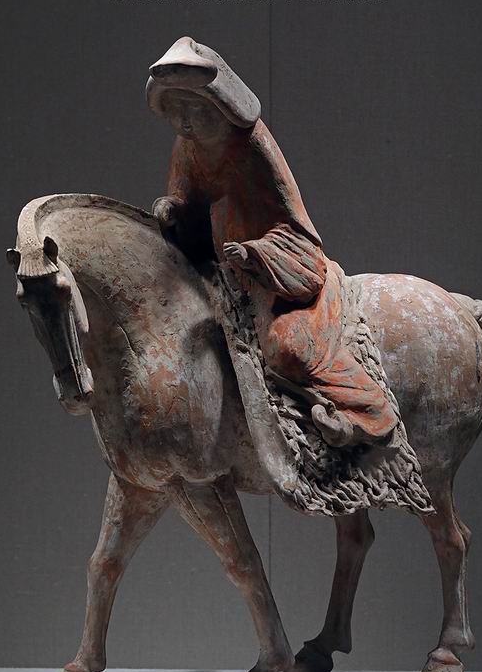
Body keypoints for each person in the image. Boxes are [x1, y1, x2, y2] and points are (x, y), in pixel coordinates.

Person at [147, 37, 398, 448]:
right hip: (217, 271)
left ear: (220, 106)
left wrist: (255, 253)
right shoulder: (187, 148)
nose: (186, 123)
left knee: (288, 348)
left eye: (196, 110)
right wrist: (172, 208)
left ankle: (366, 413)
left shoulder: (251, 147)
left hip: (274, 275)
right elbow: (186, 198)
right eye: (178, 112)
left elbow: (294, 227)